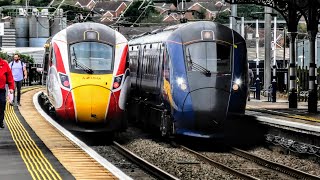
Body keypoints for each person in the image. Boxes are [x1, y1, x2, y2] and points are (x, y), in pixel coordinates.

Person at [0, 57, 14, 128]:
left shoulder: (4, 64)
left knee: (2, 105)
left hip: (1, 90)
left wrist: (11, 87)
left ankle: (1, 121)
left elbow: (10, 77)